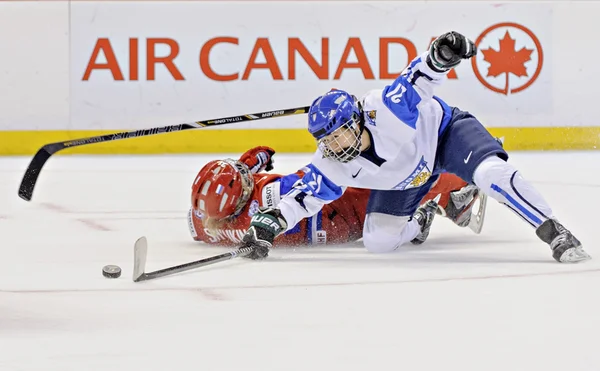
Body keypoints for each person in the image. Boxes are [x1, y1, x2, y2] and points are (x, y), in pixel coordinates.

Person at [239, 31, 590, 263]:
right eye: (326, 140)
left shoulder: (386, 109)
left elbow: (418, 76)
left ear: (357, 120)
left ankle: (554, 231)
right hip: (409, 181)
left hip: (443, 137)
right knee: (378, 241)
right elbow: (303, 196)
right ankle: (423, 216)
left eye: (338, 134)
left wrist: (441, 54)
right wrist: (267, 226)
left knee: (490, 173)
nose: (333, 144)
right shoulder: (332, 161)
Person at [188, 146, 482, 247]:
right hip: (342, 211)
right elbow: (318, 177)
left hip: (335, 223)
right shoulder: (270, 195)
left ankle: (444, 203)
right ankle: (467, 180)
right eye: (241, 176)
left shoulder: (206, 224)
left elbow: (215, 206)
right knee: (404, 180)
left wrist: (250, 163)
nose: (244, 173)